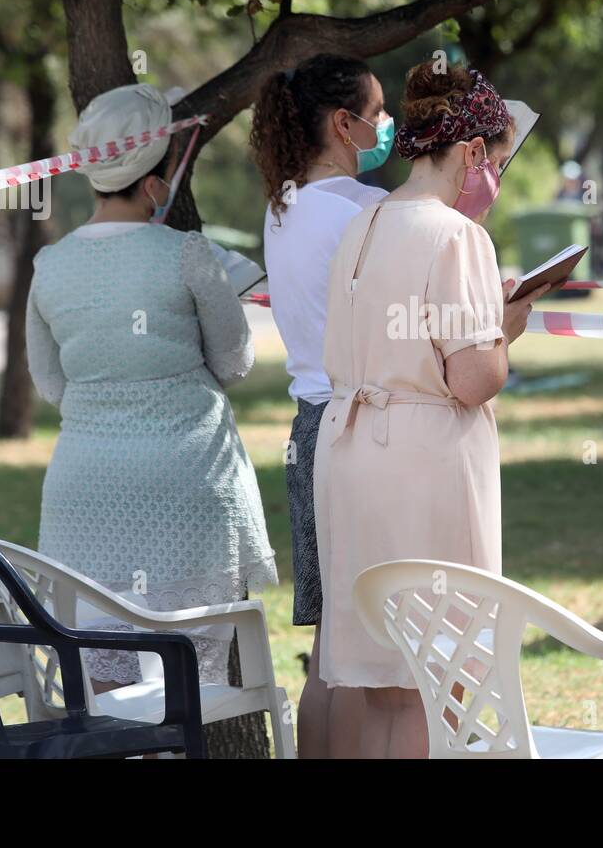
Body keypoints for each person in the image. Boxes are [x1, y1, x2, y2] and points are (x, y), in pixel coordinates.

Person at [313, 62, 548, 758]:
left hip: (350, 454)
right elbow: (474, 378)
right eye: (497, 163)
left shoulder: (364, 221)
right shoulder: (458, 236)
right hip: (420, 463)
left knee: (387, 683)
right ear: (472, 152)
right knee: (438, 677)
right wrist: (505, 326)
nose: (496, 183)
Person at [26, 83, 276, 692]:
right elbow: (236, 362)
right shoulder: (188, 253)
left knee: (103, 682)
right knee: (189, 684)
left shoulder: (49, 267)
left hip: (84, 490)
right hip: (188, 480)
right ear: (159, 177)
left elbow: (50, 383)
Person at [248, 53, 393, 757]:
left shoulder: (283, 207)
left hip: (309, 428)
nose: (388, 126)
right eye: (379, 113)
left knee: (333, 650)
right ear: (344, 123)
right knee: (373, 652)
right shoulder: (367, 211)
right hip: (364, 432)